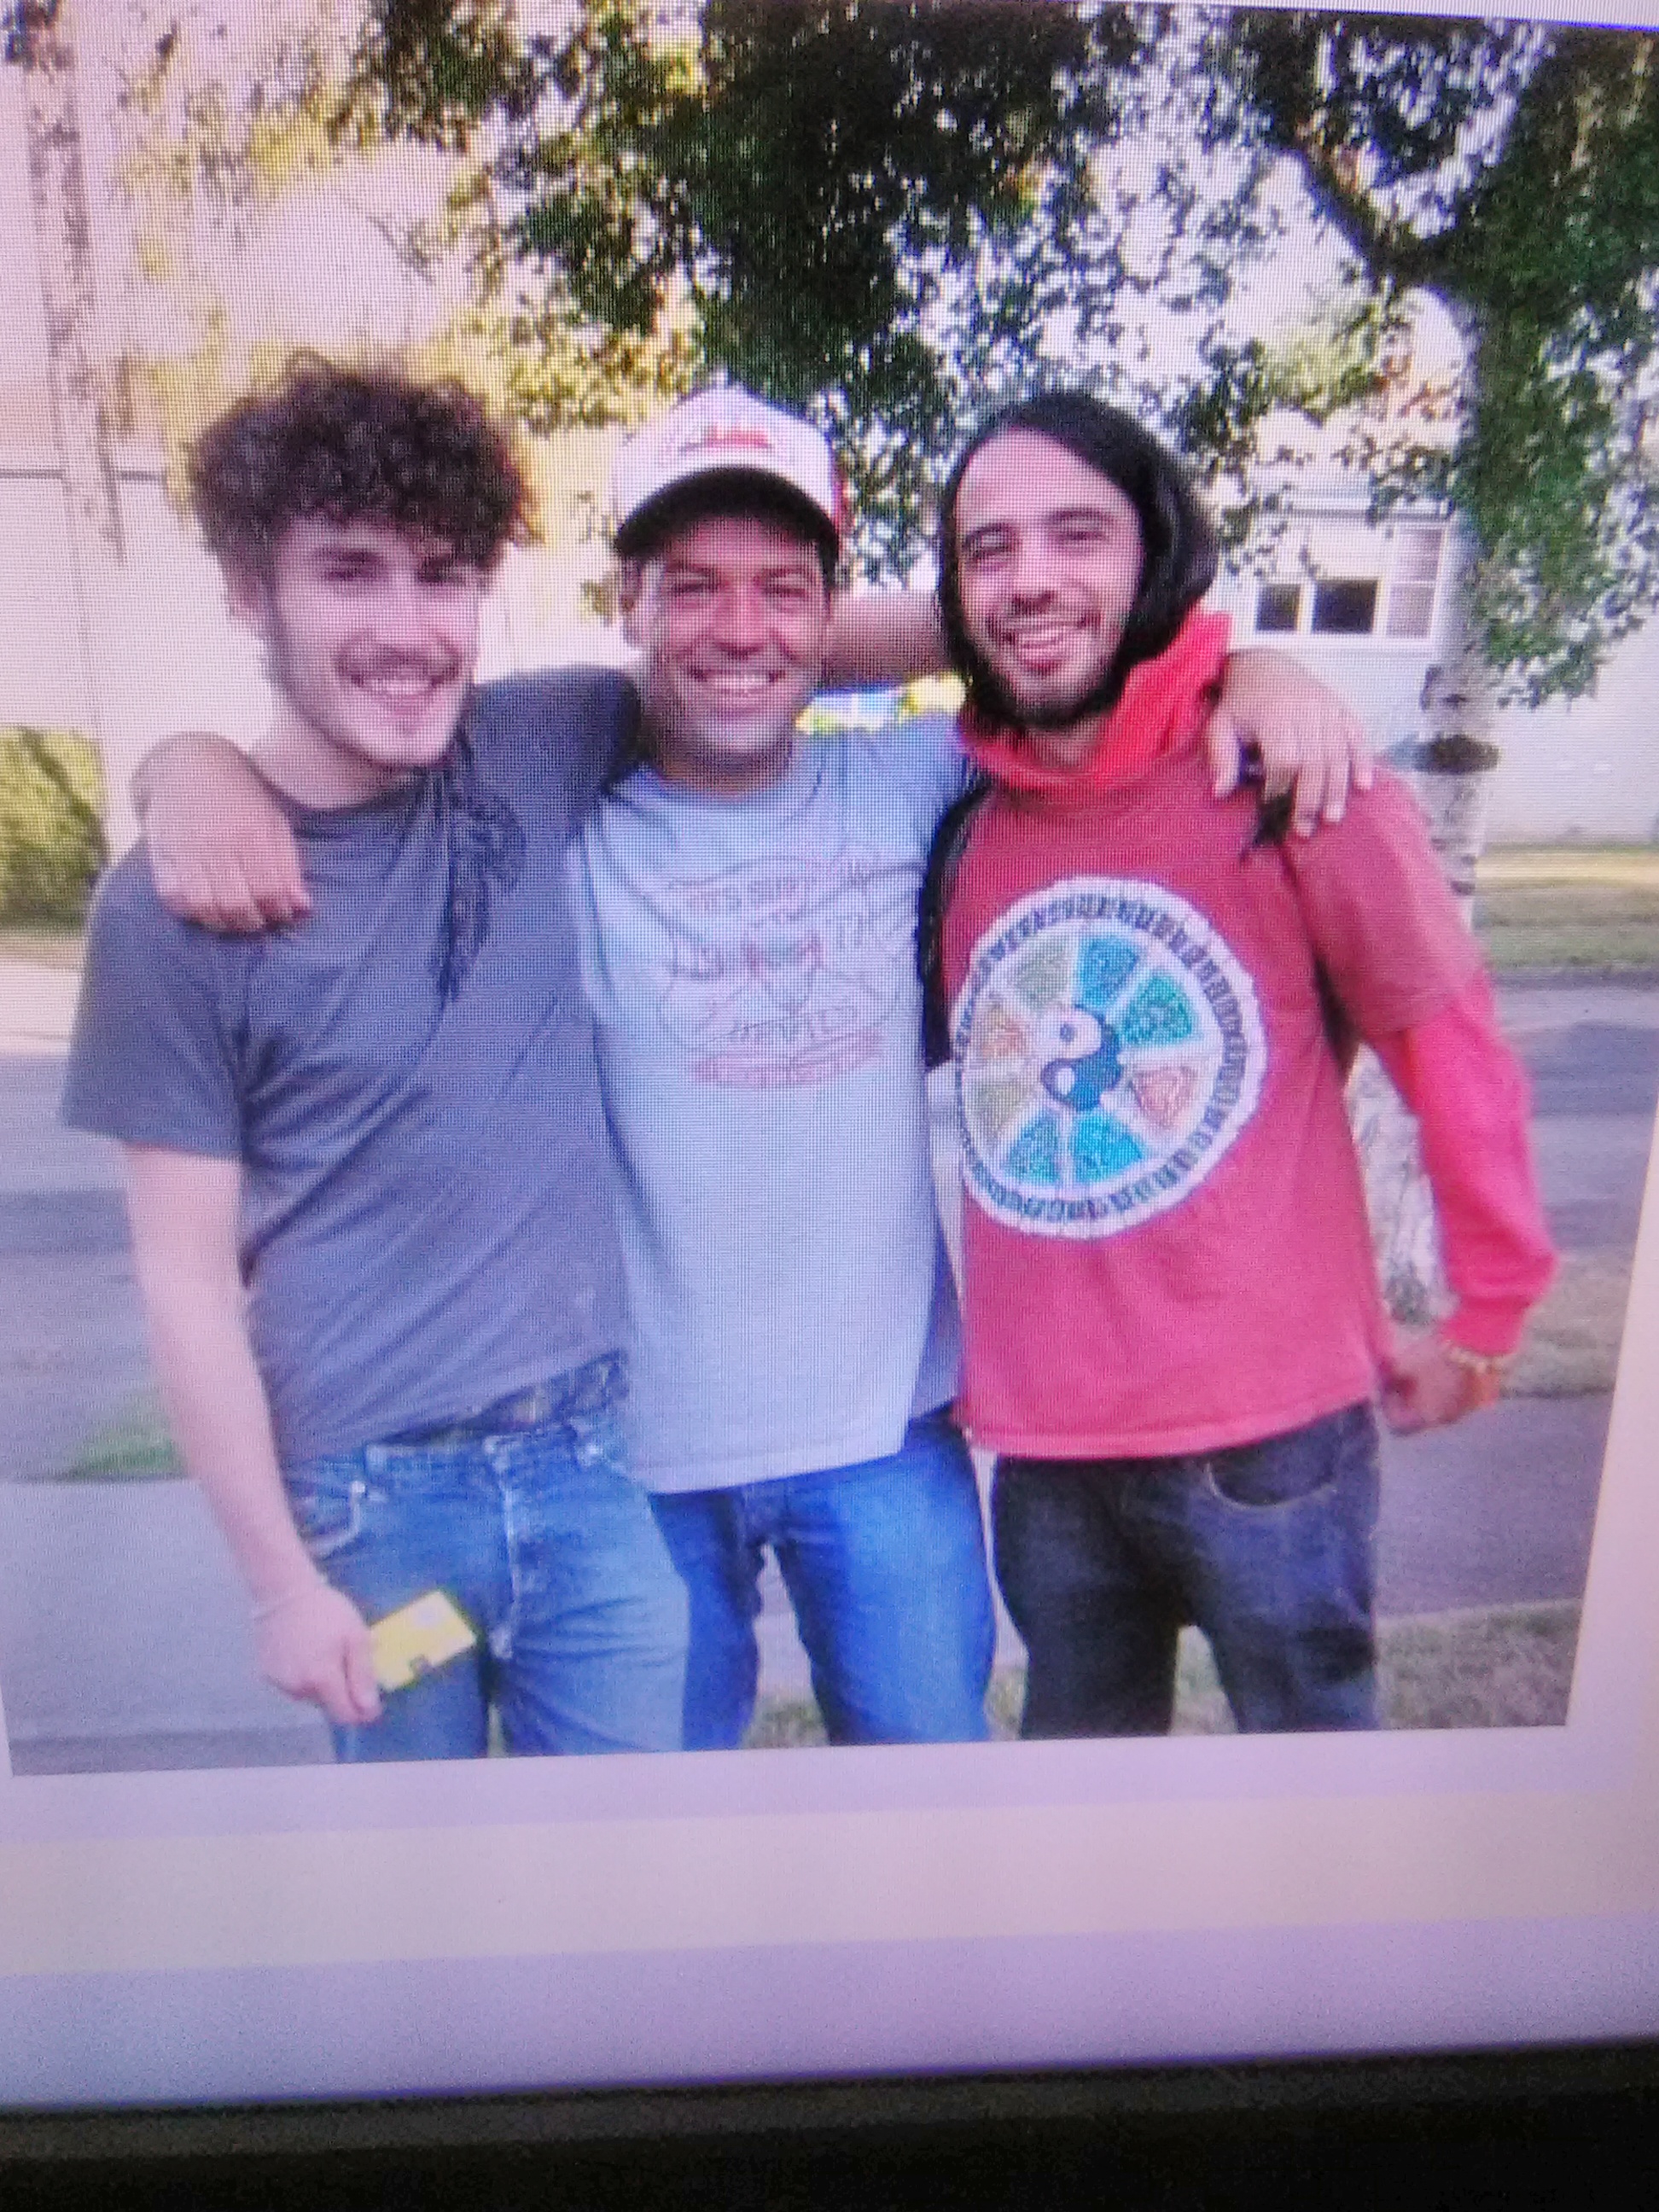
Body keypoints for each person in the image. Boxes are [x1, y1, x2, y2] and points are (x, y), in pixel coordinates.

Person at [135, 370, 1374, 1752]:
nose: (740, 628)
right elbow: (331, 753)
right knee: (663, 1838)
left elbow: (1048, 638)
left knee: (928, 1801)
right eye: (691, 587)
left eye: (786, 589)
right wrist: (189, 763)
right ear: (627, 605)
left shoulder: (917, 776)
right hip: (635, 1466)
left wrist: (1250, 664)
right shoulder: (544, 802)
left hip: (887, 1441)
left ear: (834, 612)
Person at [61, 361, 689, 1762]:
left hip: (591, 1476)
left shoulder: (537, 743)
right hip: (373, 1511)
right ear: (250, 590)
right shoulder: (168, 910)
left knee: (630, 1866)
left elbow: (766, 642)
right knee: (419, 1883)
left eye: (444, 575)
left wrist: (1160, 627)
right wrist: (279, 1585)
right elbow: (183, 1282)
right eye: (349, 573)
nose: (409, 630)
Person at [927, 391, 1557, 1737]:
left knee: (1314, 1801)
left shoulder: (1295, 781)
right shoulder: (965, 829)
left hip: (1274, 1444)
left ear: (1156, 552)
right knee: (1086, 1823)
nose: (1030, 578)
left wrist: (1491, 1310)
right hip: (1046, 1460)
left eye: (1078, 534)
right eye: (989, 549)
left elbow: (1447, 1041)